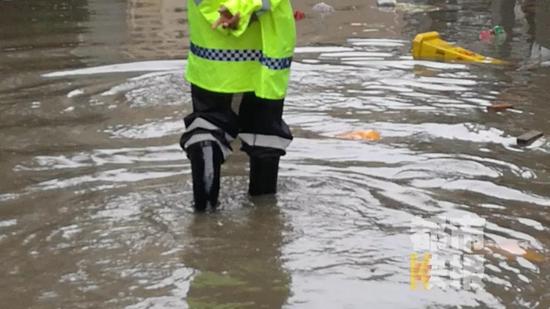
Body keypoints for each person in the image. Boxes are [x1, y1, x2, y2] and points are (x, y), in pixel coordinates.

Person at [181, 0, 296, 211]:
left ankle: (203, 222)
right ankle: (265, 221)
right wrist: (241, 9)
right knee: (264, 135)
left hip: (213, 49)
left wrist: (233, 10)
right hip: (267, 50)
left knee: (207, 128)